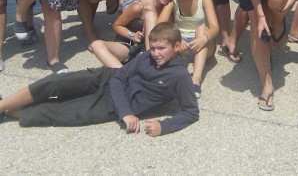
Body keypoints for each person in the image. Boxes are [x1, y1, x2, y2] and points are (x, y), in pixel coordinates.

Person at [0, 22, 199, 136]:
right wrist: (127, 113)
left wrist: (165, 126)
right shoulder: (147, 55)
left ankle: (9, 112)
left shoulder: (178, 75)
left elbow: (191, 112)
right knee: (55, 83)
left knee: (60, 112)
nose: (155, 53)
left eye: (161, 48)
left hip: (109, 105)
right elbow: (118, 78)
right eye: (153, 47)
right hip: (106, 78)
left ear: (176, 46)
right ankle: (2, 106)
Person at [159, 0, 219, 99]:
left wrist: (203, 38)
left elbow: (215, 28)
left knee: (201, 29)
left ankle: (196, 80)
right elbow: (160, 25)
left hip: (204, 44)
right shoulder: (174, 0)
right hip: (182, 46)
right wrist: (177, 41)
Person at [91, 0, 174, 68]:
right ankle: (122, 74)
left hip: (152, 49)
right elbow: (117, 25)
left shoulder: (168, 6)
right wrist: (132, 35)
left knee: (150, 15)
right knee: (96, 45)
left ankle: (147, 63)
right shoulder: (138, 7)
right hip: (129, 44)